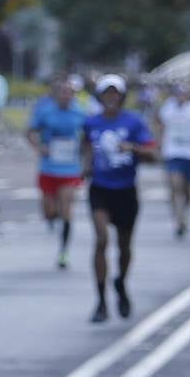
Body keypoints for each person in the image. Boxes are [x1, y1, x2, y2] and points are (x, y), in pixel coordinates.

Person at [81, 74, 157, 323]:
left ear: (122, 97)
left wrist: (132, 148)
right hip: (100, 189)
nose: (111, 98)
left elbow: (152, 152)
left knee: (124, 247)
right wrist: (85, 167)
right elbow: (86, 147)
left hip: (126, 190)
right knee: (101, 239)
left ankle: (121, 283)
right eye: (107, 93)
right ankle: (101, 301)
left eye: (115, 93)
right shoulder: (91, 122)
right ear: (100, 97)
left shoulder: (133, 122)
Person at [26, 74, 89, 269]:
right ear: (56, 94)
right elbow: (29, 132)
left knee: (67, 209)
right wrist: (39, 147)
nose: (66, 96)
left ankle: (63, 251)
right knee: (49, 211)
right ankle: (52, 218)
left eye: (70, 93)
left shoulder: (80, 113)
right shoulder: (45, 112)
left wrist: (85, 158)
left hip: (70, 169)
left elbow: (88, 138)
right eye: (63, 92)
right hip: (48, 167)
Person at [157, 83, 190, 238]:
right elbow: (159, 124)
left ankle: (185, 213)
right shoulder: (168, 107)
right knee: (175, 185)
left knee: (187, 190)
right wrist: (159, 143)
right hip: (173, 152)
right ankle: (178, 219)